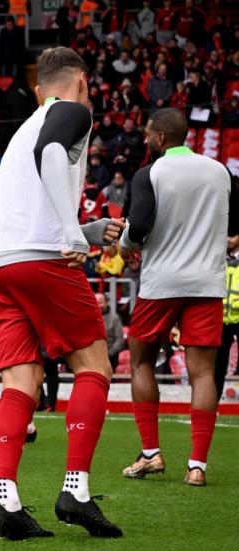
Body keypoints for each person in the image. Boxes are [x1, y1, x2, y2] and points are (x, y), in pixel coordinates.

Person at [0, 48, 123, 540]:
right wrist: (71, 234)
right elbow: (52, 155)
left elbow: (27, 196)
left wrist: (84, 225)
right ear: (81, 80)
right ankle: (75, 491)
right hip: (41, 256)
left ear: (38, 90)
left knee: (22, 380)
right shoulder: (72, 111)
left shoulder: (25, 126)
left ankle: (5, 502)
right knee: (95, 366)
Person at [119, 108, 238, 487]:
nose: (143, 139)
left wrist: (125, 246)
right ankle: (197, 465)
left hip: (161, 284)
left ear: (160, 138)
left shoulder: (148, 173)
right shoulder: (221, 171)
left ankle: (151, 453)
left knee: (141, 362)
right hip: (207, 283)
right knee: (203, 372)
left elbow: (137, 226)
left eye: (146, 134)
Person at [214, 236, 239, 398]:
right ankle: (211, 408)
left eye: (233, 235)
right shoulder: (217, 258)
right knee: (217, 368)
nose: (228, 239)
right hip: (222, 319)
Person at [96, 292, 126, 371]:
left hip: (110, 359)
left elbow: (120, 341)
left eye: (100, 303)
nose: (98, 305)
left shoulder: (114, 318)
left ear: (106, 303)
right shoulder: (87, 318)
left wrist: (108, 354)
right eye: (95, 303)